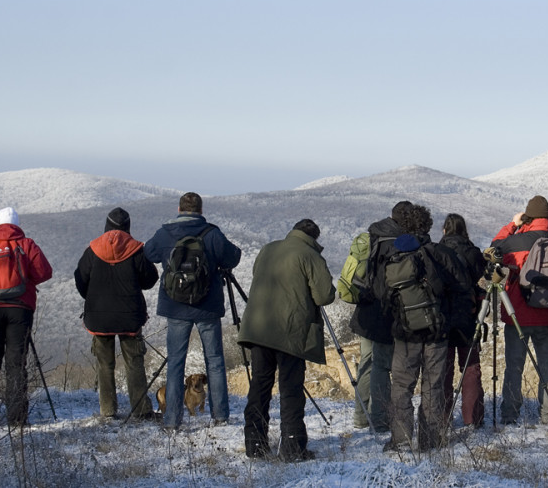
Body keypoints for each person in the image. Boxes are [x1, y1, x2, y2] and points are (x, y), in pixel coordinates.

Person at [238, 219, 335, 461]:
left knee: (260, 384)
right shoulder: (310, 255)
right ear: (314, 238)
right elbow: (324, 295)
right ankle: (292, 448)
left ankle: (254, 444)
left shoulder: (268, 249)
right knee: (290, 388)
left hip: (259, 327)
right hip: (290, 330)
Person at [143, 192, 242, 430]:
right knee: (215, 362)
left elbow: (149, 253)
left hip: (175, 306)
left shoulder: (165, 233)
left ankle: (172, 420)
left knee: (176, 362)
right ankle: (220, 416)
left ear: (179, 209)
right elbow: (234, 256)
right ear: (200, 210)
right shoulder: (212, 233)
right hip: (207, 306)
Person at [382, 204, 473, 452]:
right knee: (433, 386)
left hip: (405, 332)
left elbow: (381, 292)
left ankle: (401, 440)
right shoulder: (442, 254)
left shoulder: (394, 255)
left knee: (401, 386)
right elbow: (463, 291)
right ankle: (430, 441)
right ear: (429, 227)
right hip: (437, 333)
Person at [0, 207, 53, 427]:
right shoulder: (26, 245)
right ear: (17, 223)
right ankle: (17, 417)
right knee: (16, 364)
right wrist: (27, 282)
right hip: (20, 310)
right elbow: (44, 272)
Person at [489, 195, 548, 426]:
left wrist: (513, 225)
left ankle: (510, 415)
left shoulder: (517, 241)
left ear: (529, 216)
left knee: (514, 366)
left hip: (518, 314)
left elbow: (494, 249)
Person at [74, 207, 159, 420]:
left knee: (104, 364)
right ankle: (140, 409)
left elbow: (80, 279)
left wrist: (92, 299)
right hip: (130, 317)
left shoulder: (92, 250)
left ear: (107, 226)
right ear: (127, 227)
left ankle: (108, 410)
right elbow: (150, 279)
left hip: (99, 318)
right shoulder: (136, 250)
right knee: (134, 362)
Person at [346, 200, 413, 432]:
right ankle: (381, 419)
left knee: (368, 362)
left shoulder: (373, 234)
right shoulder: (402, 242)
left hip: (367, 308)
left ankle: (361, 417)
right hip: (388, 310)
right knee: (384, 365)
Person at [438, 213, 487, 428]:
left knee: (443, 369)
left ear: (444, 230)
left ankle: (443, 418)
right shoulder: (474, 253)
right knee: (470, 368)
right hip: (469, 314)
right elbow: (481, 276)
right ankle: (473, 418)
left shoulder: (437, 252)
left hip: (443, 316)